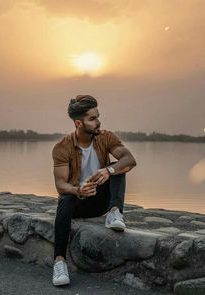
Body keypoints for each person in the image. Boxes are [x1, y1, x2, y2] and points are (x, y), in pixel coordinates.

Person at [51, 95, 137, 286]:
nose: (98, 122)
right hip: (78, 203)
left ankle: (115, 213)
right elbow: (60, 184)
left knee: (118, 167)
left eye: (98, 116)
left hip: (102, 202)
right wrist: (78, 189)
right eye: (92, 119)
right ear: (78, 123)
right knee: (65, 199)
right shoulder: (62, 147)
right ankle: (59, 262)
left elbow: (130, 160)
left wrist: (108, 170)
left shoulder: (106, 137)